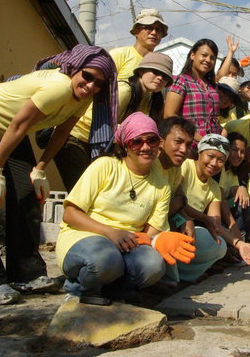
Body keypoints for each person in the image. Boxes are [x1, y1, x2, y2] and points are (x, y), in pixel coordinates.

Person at [0, 45, 118, 305]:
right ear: (75, 69)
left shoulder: (83, 96)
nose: (91, 86)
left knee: (28, 192)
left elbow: (61, 133)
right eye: (87, 76)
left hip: (9, 130)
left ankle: (26, 274)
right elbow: (19, 125)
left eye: (99, 83)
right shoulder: (59, 87)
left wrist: (40, 168)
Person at [56, 112, 195, 300]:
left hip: (129, 243)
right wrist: (111, 232)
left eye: (151, 140)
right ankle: (78, 289)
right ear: (125, 145)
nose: (145, 147)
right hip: (86, 237)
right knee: (106, 260)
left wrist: (154, 240)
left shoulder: (161, 183)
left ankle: (114, 292)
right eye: (136, 142)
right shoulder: (105, 166)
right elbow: (70, 214)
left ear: (158, 143)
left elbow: (152, 230)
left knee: (153, 266)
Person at [54, 51, 173, 190]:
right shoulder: (125, 90)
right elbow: (99, 122)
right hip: (76, 138)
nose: (159, 78)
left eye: (165, 77)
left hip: (98, 146)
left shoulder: (149, 99)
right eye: (155, 72)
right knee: (82, 191)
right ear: (141, 71)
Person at [179, 134, 250, 273]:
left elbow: (215, 223)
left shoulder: (214, 187)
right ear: (200, 152)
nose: (214, 163)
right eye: (210, 156)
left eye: (221, 160)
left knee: (219, 247)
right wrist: (201, 218)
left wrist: (239, 244)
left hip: (192, 228)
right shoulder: (185, 167)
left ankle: (186, 273)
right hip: (173, 220)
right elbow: (176, 200)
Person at [164, 39, 222, 145]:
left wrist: (222, 132)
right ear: (192, 55)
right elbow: (169, 114)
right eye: (204, 55)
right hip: (190, 144)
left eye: (212, 58)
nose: (208, 60)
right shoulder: (181, 80)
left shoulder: (211, 86)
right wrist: (196, 137)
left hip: (212, 145)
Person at [111, 8, 168, 79]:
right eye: (149, 28)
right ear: (136, 31)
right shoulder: (120, 55)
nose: (154, 33)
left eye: (158, 30)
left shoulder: (159, 64)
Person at [218, 132, 250, 240]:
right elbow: (220, 199)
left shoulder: (232, 170)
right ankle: (238, 237)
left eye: (242, 152)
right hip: (216, 211)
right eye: (235, 150)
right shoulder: (221, 168)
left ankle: (243, 237)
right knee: (241, 203)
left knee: (244, 200)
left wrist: (241, 188)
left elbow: (235, 190)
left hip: (226, 208)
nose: (238, 155)